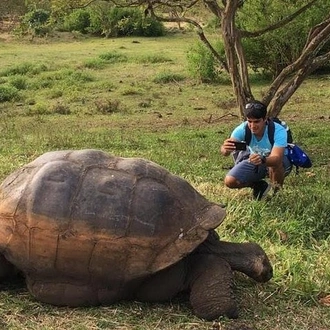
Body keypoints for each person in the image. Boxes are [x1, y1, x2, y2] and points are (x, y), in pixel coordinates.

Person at [220, 101, 292, 200]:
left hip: (278, 162)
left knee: (274, 165)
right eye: (250, 121)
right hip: (255, 160)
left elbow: (277, 159)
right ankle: (258, 186)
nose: (253, 126)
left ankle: (276, 193)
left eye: (256, 121)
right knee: (230, 181)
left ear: (265, 119)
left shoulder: (278, 130)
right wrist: (226, 148)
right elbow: (225, 151)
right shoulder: (242, 129)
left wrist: (263, 159)